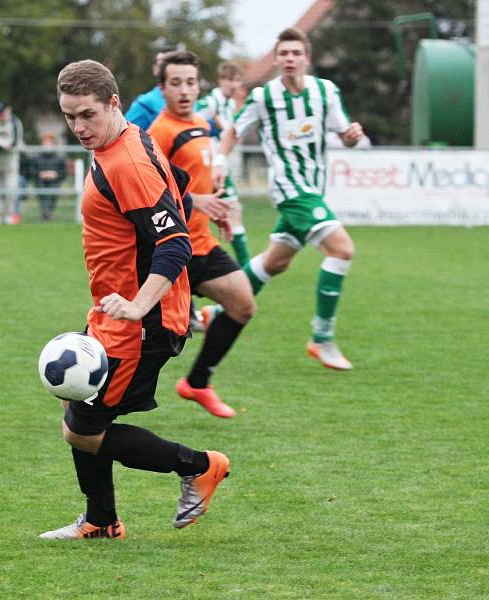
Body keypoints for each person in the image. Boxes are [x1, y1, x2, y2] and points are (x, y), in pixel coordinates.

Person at [40, 60, 230, 541]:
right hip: (115, 312)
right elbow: (174, 196)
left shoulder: (126, 162)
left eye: (87, 115)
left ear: (113, 103)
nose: (79, 128)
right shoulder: (131, 139)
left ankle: (199, 466)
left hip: (142, 323)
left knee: (82, 427)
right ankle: (101, 521)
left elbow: (175, 243)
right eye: (69, 117)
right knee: (80, 413)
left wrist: (140, 306)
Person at [219, 27, 364, 370]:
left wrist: (353, 136)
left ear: (306, 59)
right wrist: (217, 163)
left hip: (313, 188)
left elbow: (345, 135)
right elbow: (233, 131)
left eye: (295, 53)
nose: (289, 59)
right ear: (277, 58)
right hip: (289, 190)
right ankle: (321, 338)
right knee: (342, 250)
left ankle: (216, 310)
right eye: (283, 53)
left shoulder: (325, 92)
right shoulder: (263, 97)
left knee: (274, 263)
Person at [149, 51, 255, 419]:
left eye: (190, 82)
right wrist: (198, 201)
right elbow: (149, 192)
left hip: (202, 244)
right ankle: (87, 391)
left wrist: (217, 210)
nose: (184, 90)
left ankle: (197, 383)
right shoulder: (158, 133)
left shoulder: (199, 123)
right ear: (162, 88)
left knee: (243, 304)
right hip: (169, 251)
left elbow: (199, 180)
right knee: (147, 341)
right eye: (175, 83)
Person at [196, 62, 250, 267]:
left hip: (220, 166)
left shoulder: (228, 105)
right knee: (230, 209)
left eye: (237, 80)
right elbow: (193, 121)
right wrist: (211, 127)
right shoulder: (211, 102)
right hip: (209, 168)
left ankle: (243, 265)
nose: (233, 85)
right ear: (221, 81)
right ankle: (245, 266)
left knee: (230, 210)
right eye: (229, 80)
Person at [124, 49, 174, 130]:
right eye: (162, 63)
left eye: (172, 62)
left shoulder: (193, 104)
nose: (167, 67)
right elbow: (123, 133)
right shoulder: (144, 103)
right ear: (155, 69)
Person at [30, 132, 66, 222]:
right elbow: (32, 170)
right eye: (46, 142)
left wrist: (55, 174)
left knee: (53, 195)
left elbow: (63, 172)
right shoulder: (37, 157)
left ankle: (47, 214)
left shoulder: (59, 157)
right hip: (40, 181)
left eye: (50, 143)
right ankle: (45, 214)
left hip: (54, 181)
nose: (48, 145)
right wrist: (40, 174)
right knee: (43, 195)